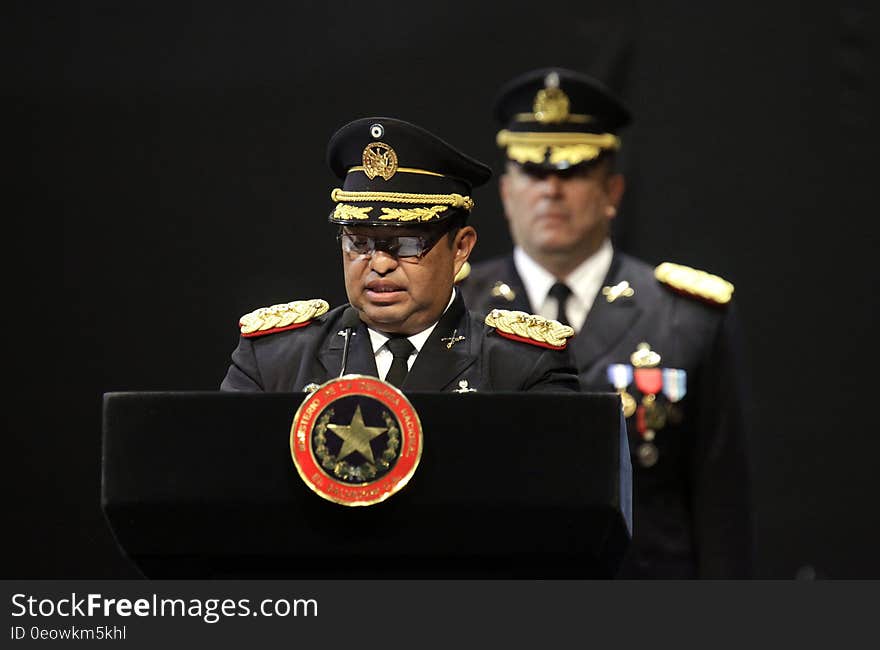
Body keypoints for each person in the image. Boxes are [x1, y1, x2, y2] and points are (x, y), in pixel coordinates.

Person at [458, 68, 754, 578]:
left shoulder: (684, 318)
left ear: (611, 189)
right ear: (506, 193)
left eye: (573, 170)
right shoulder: (456, 309)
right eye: (532, 171)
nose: (551, 190)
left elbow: (720, 502)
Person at [220, 116, 583, 395]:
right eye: (359, 244)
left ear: (460, 248)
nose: (379, 264)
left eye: (406, 244)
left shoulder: (523, 367)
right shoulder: (275, 361)